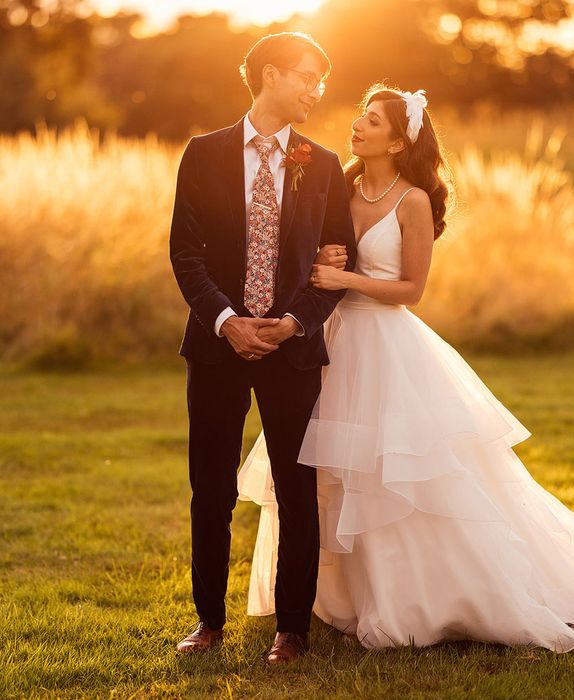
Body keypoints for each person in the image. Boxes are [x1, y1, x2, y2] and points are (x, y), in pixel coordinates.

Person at [238, 85, 574, 654]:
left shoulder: (413, 200)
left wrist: (346, 280)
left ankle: (418, 599)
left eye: (371, 121)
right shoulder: (339, 184)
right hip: (331, 344)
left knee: (396, 471)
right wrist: (321, 264)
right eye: (360, 118)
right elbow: (312, 252)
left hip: (388, 348)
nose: (357, 127)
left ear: (398, 139)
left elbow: (410, 291)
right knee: (330, 473)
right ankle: (338, 598)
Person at [169, 32, 356, 664]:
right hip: (216, 349)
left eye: (320, 80)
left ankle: (293, 628)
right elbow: (184, 252)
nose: (316, 89)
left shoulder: (323, 164)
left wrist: (295, 323)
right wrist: (226, 320)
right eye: (307, 76)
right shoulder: (203, 153)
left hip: (293, 351)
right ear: (270, 75)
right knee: (211, 488)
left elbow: (337, 262)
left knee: (297, 488)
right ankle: (208, 622)